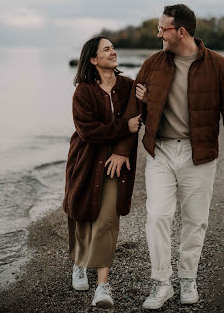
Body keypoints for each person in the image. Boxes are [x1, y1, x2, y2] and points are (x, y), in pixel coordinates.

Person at [107, 4, 224, 309]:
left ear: (180, 31)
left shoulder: (218, 65)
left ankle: (188, 279)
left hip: (200, 155)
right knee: (157, 215)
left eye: (163, 29)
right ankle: (161, 283)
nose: (158, 33)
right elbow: (134, 109)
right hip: (160, 153)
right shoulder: (153, 63)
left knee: (195, 220)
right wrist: (121, 150)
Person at [62, 36, 140, 309]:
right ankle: (80, 264)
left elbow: (140, 119)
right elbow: (88, 131)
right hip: (85, 160)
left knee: (107, 220)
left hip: (116, 166)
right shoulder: (83, 91)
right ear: (93, 59)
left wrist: (147, 98)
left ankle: (103, 287)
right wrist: (123, 127)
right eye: (107, 49)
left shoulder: (129, 86)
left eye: (113, 48)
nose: (113, 52)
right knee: (83, 214)